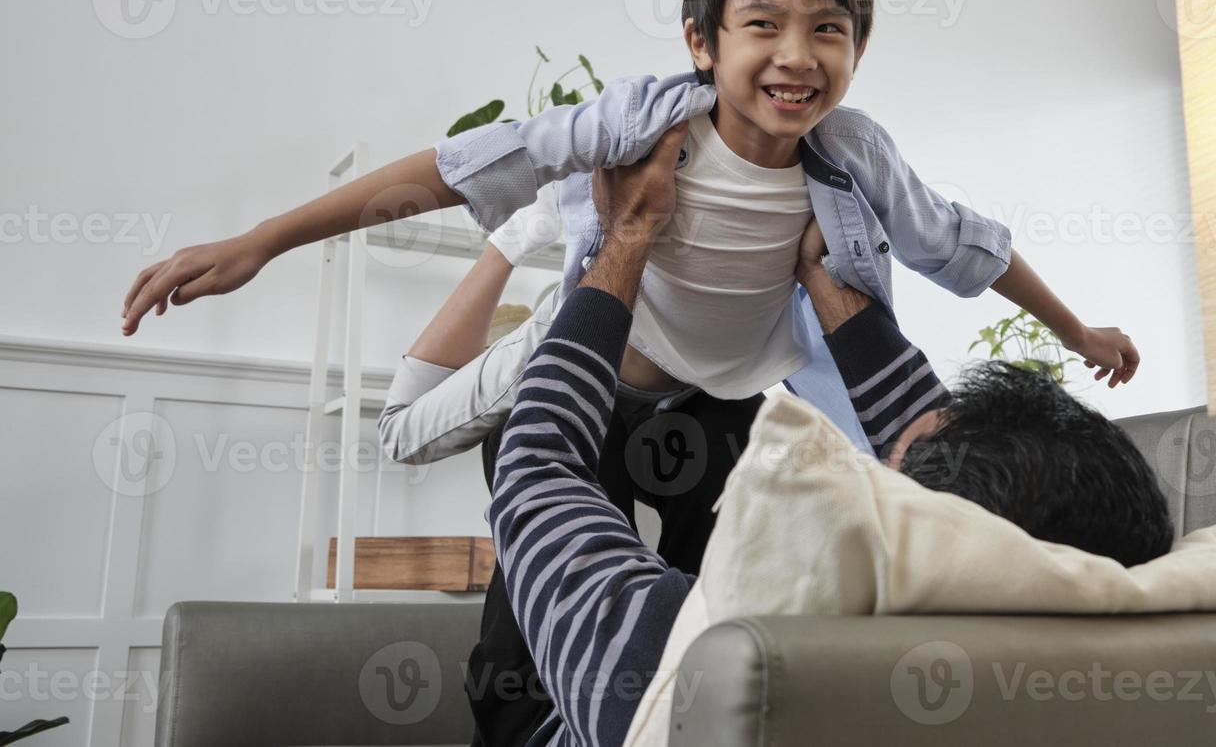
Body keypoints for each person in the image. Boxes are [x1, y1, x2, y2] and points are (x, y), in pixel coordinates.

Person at [118, 0, 1142, 744]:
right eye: (764, 23)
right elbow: (457, 165)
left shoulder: (857, 155)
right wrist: (266, 237)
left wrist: (1075, 328)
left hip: (728, 406)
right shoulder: (644, 122)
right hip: (595, 382)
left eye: (829, 28)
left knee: (716, 624)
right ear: (701, 40)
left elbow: (960, 242)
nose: (798, 56)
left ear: (859, 46)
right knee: (523, 622)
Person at [477, 124, 1172, 747]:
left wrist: (624, 238)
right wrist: (822, 275)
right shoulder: (1083, 667)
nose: (873, 465)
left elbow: (539, 467)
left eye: (886, 470)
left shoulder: (686, 673)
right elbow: (944, 477)